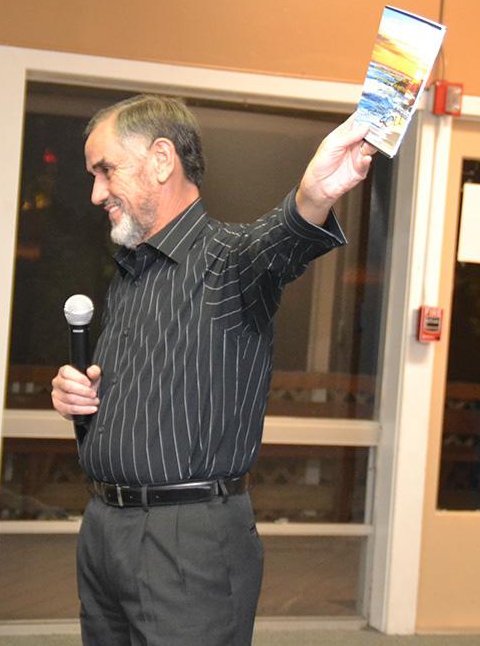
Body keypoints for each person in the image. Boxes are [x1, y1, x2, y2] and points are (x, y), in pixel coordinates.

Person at [51, 94, 374, 645]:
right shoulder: (130, 276)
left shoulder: (229, 263)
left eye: (106, 171)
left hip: (188, 539)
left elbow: (282, 240)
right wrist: (79, 399)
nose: (96, 193)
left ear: (161, 159)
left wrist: (314, 196)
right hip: (104, 527)